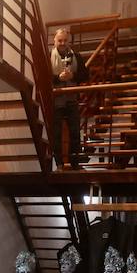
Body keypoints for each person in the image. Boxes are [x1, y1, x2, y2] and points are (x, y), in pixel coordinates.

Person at [51, 27, 87, 168]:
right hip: (56, 100)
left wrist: (73, 76)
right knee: (56, 133)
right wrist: (58, 78)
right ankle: (58, 162)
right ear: (54, 41)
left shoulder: (76, 56)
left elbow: (85, 75)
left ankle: (75, 162)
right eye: (60, 40)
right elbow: (44, 76)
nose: (62, 43)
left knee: (75, 132)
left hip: (72, 99)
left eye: (65, 40)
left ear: (69, 41)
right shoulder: (49, 56)